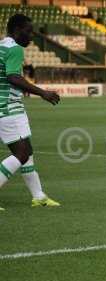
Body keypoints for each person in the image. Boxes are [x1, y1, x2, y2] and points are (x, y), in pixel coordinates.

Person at [0, 14, 61, 211]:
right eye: (28, 31)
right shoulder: (15, 49)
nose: (31, 36)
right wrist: (43, 92)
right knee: (22, 153)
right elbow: (13, 77)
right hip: (9, 107)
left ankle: (38, 196)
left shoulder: (2, 46)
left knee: (27, 152)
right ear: (17, 30)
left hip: (6, 107)